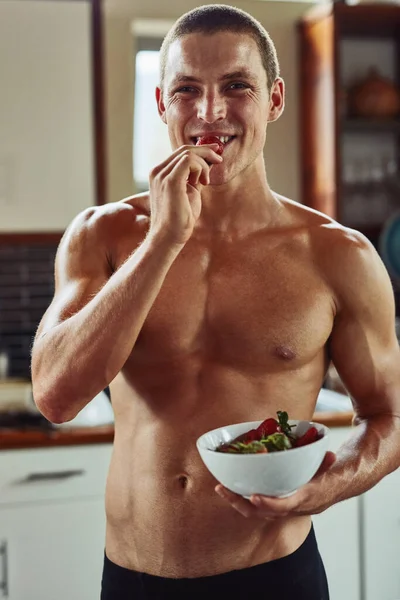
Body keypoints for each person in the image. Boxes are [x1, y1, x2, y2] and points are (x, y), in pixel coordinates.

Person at [31, 4, 400, 599]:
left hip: (277, 577)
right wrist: (164, 239)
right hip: (134, 579)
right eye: (186, 91)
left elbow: (390, 417)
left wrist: (326, 487)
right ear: (161, 105)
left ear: (274, 99)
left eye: (236, 86)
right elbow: (54, 396)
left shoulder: (339, 256)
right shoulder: (102, 236)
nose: (211, 113)